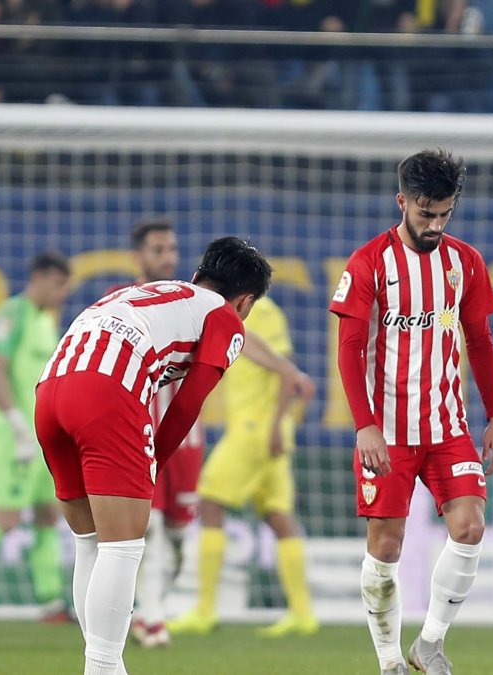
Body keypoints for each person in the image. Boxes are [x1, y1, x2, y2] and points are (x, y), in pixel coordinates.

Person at [35, 236, 271, 675]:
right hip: (108, 390)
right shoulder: (225, 318)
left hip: (51, 386)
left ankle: (103, 663)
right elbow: (188, 402)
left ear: (198, 276)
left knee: (91, 543)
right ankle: (103, 667)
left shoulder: (138, 292)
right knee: (123, 547)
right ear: (245, 303)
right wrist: (154, 463)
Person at [330, 149, 493, 675]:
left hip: (447, 426)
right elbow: (349, 349)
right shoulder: (369, 263)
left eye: (444, 214)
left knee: (471, 527)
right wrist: (364, 424)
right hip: (387, 430)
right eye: (425, 212)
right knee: (385, 549)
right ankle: (388, 662)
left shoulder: (465, 262)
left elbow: (479, 339)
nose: (434, 224)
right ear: (402, 200)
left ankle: (429, 644)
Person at [119, 219, 313, 647]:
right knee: (146, 525)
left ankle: (159, 606)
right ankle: (149, 616)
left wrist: (284, 370)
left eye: (171, 248)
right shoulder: (130, 300)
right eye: (157, 250)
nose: (167, 256)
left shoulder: (193, 302)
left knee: (177, 532)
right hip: (140, 428)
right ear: (139, 257)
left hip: (187, 434)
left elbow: (238, 334)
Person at [167, 293, 319, 638]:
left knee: (209, 502)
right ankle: (303, 612)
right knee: (278, 515)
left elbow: (286, 371)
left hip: (255, 430)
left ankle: (205, 609)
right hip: (266, 430)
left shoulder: (261, 311)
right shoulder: (238, 315)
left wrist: (279, 422)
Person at [0, 252, 71, 622]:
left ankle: (51, 601)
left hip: (40, 437)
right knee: (6, 518)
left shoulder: (44, 321)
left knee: (46, 514)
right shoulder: (13, 313)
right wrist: (17, 423)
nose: (62, 294)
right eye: (58, 285)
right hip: (14, 434)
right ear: (39, 278)